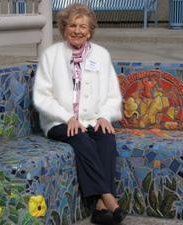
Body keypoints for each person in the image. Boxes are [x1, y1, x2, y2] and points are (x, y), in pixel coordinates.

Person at [33, 3, 127, 224]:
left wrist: (104, 115)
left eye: (83, 26)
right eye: (72, 25)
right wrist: (68, 118)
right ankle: (109, 198)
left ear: (90, 31)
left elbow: (113, 94)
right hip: (60, 121)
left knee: (106, 137)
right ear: (64, 28)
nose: (77, 30)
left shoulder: (101, 55)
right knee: (81, 137)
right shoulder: (52, 55)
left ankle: (99, 209)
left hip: (92, 118)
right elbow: (41, 96)